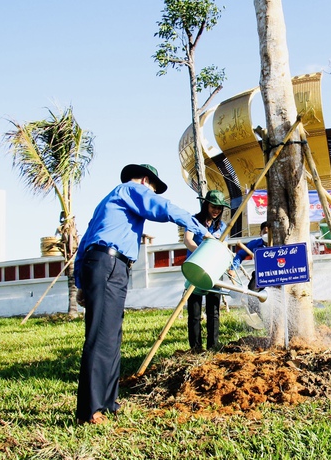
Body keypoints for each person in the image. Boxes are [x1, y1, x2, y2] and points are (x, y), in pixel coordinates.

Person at [73, 163, 210, 425]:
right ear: (146, 181)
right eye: (154, 190)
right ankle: (90, 411)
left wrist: (81, 281)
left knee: (111, 335)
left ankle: (108, 403)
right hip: (109, 264)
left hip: (106, 265)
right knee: (101, 335)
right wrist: (202, 230)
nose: (153, 194)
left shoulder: (108, 201)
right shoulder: (131, 189)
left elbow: (84, 241)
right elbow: (164, 208)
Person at [183, 189, 230, 352]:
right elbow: (187, 239)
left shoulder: (222, 226)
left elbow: (224, 246)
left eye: (219, 208)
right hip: (196, 268)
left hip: (214, 271)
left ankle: (213, 345)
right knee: (195, 312)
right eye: (213, 207)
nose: (216, 210)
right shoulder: (194, 221)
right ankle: (195, 347)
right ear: (206, 205)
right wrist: (202, 253)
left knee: (214, 310)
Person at [231, 221, 269, 315]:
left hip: (278, 274)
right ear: (260, 233)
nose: (267, 234)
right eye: (265, 232)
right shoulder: (255, 244)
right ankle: (255, 319)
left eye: (270, 232)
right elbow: (240, 255)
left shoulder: (279, 242)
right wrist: (233, 268)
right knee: (252, 293)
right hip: (260, 274)